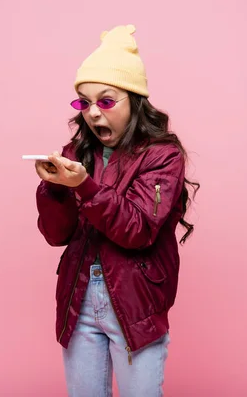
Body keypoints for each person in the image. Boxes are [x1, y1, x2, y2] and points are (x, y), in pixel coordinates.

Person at [33, 24, 199, 397]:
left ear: (135, 100)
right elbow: (56, 235)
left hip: (135, 303)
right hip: (78, 302)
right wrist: (55, 188)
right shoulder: (77, 153)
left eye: (106, 101)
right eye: (84, 102)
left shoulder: (162, 156)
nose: (93, 113)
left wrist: (84, 187)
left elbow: (138, 229)